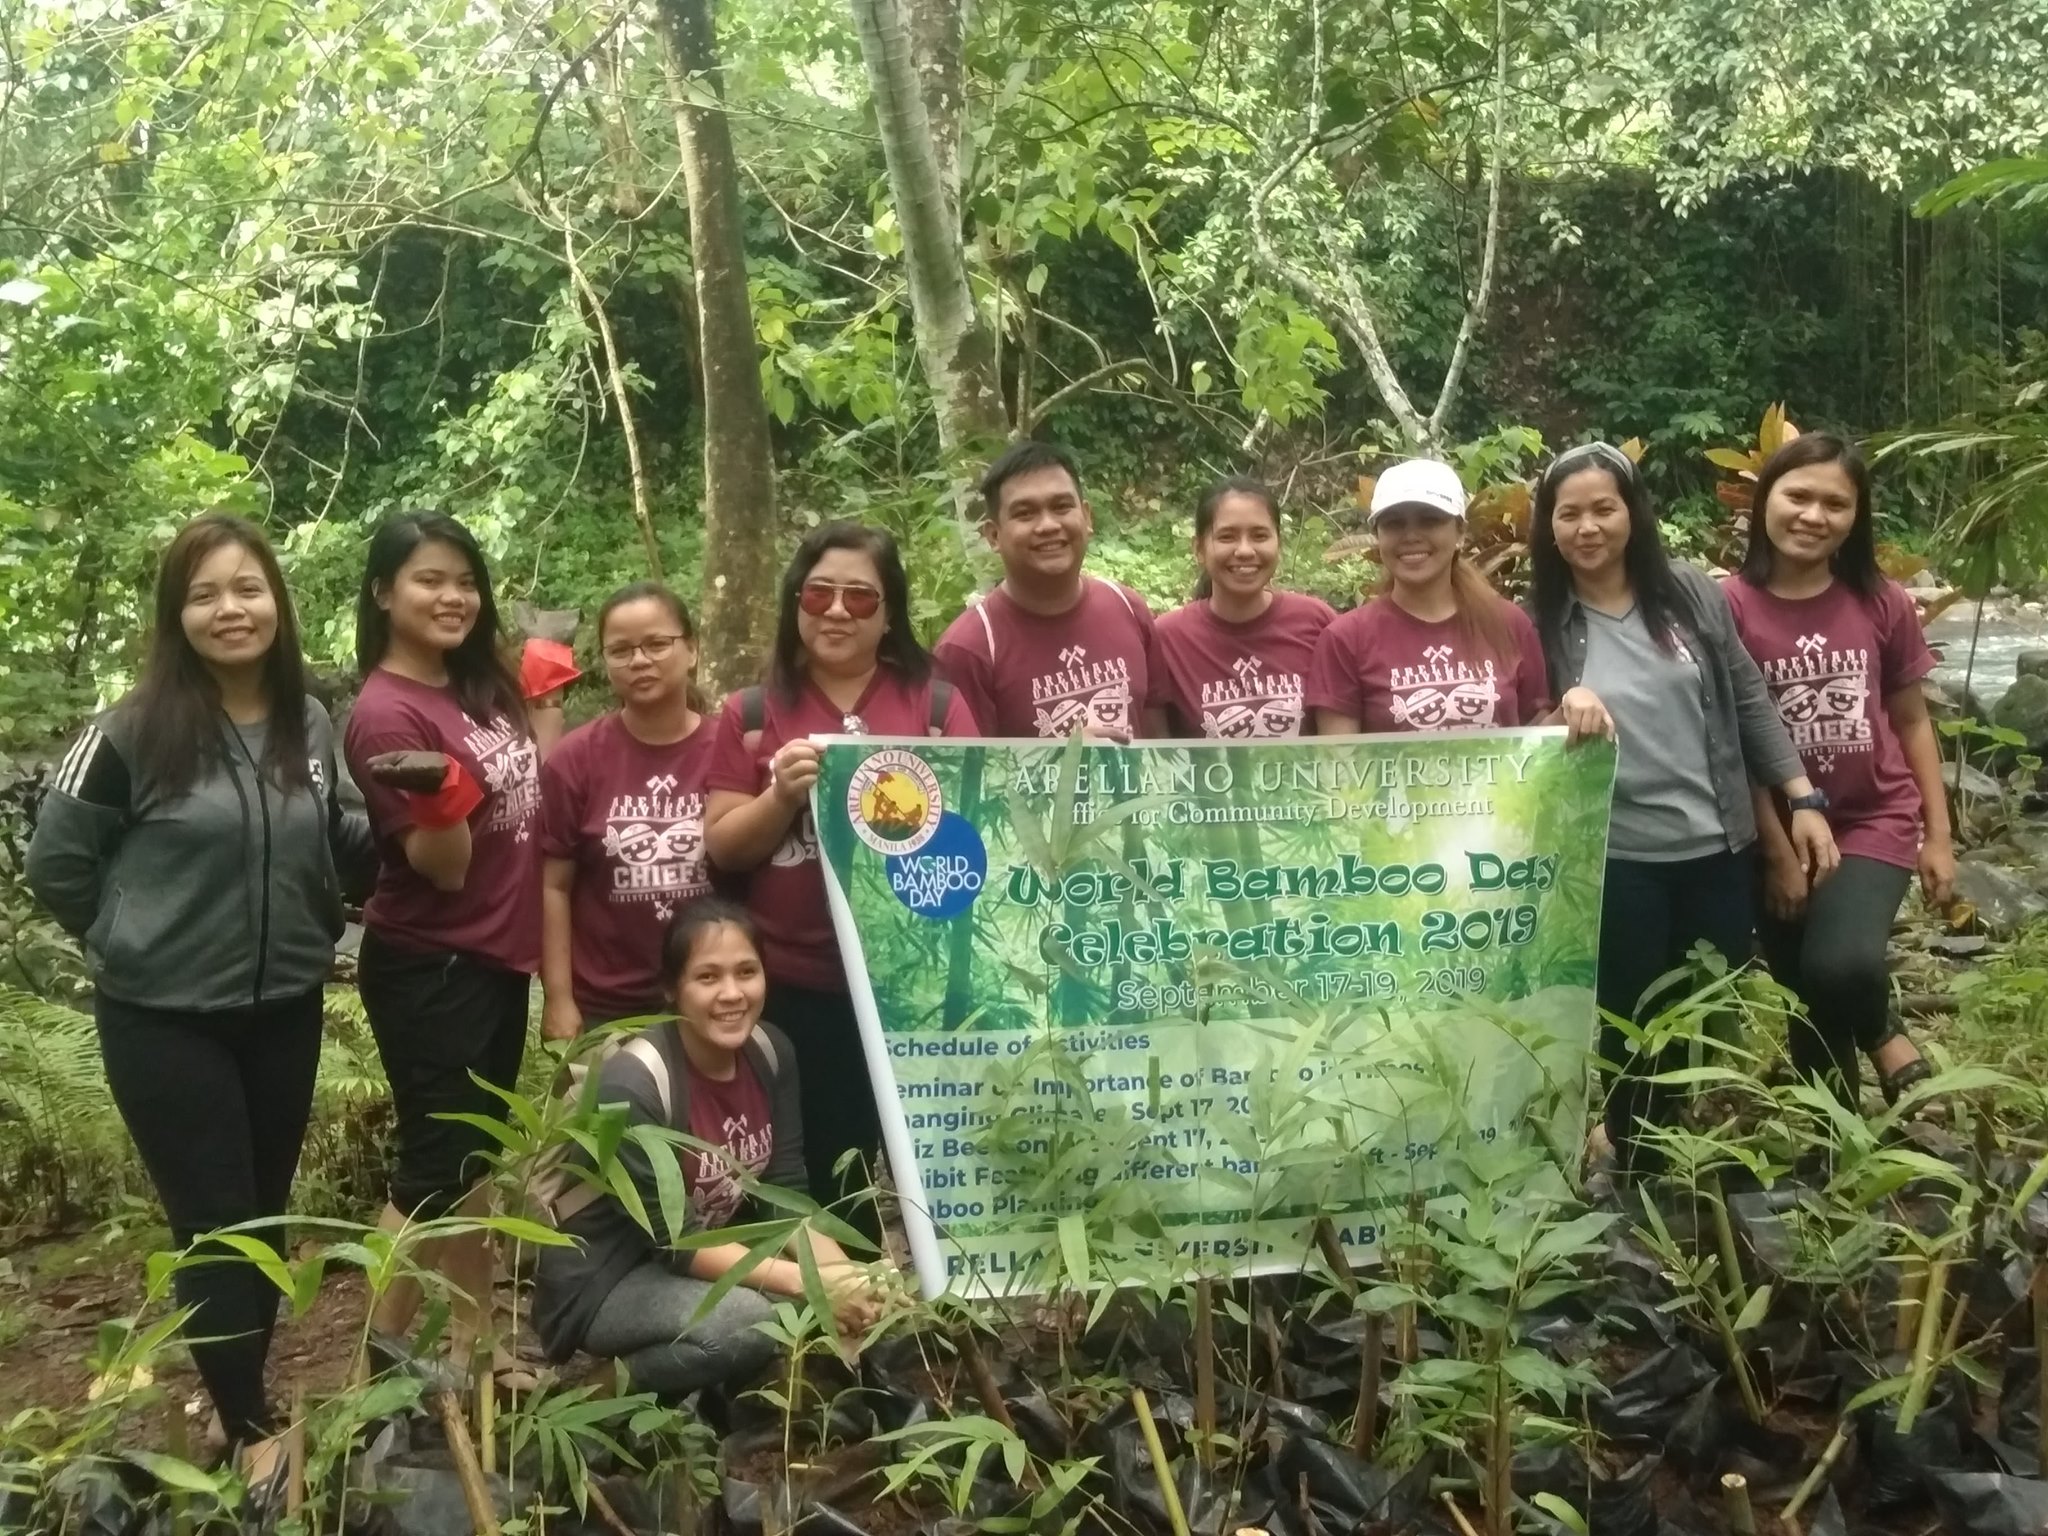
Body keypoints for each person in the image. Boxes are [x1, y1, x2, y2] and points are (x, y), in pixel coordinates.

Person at [26, 514, 369, 1481]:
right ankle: (256, 1430)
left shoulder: (307, 721)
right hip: (163, 1018)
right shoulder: (126, 732)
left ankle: (232, 1406)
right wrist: (127, 936)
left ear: (277, 603)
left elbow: (339, 834)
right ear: (178, 614)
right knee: (216, 1223)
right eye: (207, 593)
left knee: (262, 1220)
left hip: (284, 1005)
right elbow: (55, 862)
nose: (232, 609)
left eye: (248, 589)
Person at [1527, 441, 1838, 1170]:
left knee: (1707, 1007)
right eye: (1568, 514)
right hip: (1618, 855)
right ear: (1550, 528)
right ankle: (1637, 1163)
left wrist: (1801, 798)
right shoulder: (1540, 620)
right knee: (1631, 1021)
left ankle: (1677, 1152)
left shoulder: (1692, 594)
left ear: (1633, 512)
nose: (1588, 527)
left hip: (1717, 846)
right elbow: (1523, 731)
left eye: (1604, 508)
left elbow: (1749, 698)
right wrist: (1557, 707)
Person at [703, 523, 976, 1232]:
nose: (836, 611)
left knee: (937, 1165)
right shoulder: (753, 712)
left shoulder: (936, 709)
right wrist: (781, 795)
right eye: (819, 593)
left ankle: (945, 1325)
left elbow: (984, 832)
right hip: (798, 987)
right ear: (795, 601)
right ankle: (845, 1325)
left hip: (914, 986)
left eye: (861, 599)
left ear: (890, 615)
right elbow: (725, 847)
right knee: (825, 1169)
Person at [533, 902, 888, 1396]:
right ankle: (590, 1395)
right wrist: (808, 1282)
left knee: (840, 1299)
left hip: (694, 1260)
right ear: (672, 989)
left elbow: (783, 1191)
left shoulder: (771, 1052)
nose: (731, 994)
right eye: (707, 977)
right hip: (608, 1278)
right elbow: (676, 1242)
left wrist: (841, 1277)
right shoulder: (634, 1083)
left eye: (747, 972)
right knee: (749, 1323)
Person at [342, 511, 542, 1381]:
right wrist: (440, 799)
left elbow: (528, 795)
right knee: (432, 1170)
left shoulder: (475, 685)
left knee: (471, 1165)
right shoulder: (386, 715)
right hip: (435, 964)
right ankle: (372, 1374)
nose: (453, 596)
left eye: (464, 580)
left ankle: (479, 1345)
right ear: (385, 593)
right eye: (429, 580)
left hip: (491, 960)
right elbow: (447, 868)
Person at [1725, 433, 1949, 1105]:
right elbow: (1734, 741)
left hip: (1875, 816)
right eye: (1798, 496)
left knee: (1839, 962)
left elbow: (1911, 720)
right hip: (1779, 826)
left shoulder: (1881, 601)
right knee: (1804, 996)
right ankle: (1835, 1146)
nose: (1813, 516)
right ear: (1766, 501)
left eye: (1835, 503)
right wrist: (1776, 850)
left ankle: (1883, 1030)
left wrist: (1938, 835)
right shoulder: (1729, 607)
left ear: (1856, 516)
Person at [539, 583, 713, 1040]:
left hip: (715, 997)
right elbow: (553, 885)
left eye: (657, 644)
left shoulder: (728, 750)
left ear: (691, 650)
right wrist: (558, 998)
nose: (639, 661)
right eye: (621, 650)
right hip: (608, 1005)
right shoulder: (575, 759)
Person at [933, 440, 1170, 740]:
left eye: (1061, 507)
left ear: (1087, 518)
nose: (1048, 525)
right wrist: (1061, 765)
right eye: (1025, 513)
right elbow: (962, 774)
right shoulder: (968, 648)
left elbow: (1158, 740)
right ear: (994, 536)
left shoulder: (1127, 606)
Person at [1308, 458, 1550, 734]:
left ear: (1460, 531)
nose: (1411, 535)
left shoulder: (1509, 624)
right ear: (1377, 536)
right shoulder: (1345, 639)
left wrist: (1576, 706)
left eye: (1430, 520)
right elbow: (1339, 765)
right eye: (1394, 524)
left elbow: (1541, 744)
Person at [1156, 477, 1335, 738]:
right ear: (1199, 549)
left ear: (1278, 543)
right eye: (1227, 537)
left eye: (1260, 536)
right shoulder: (1167, 638)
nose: (1245, 550)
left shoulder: (1317, 622)